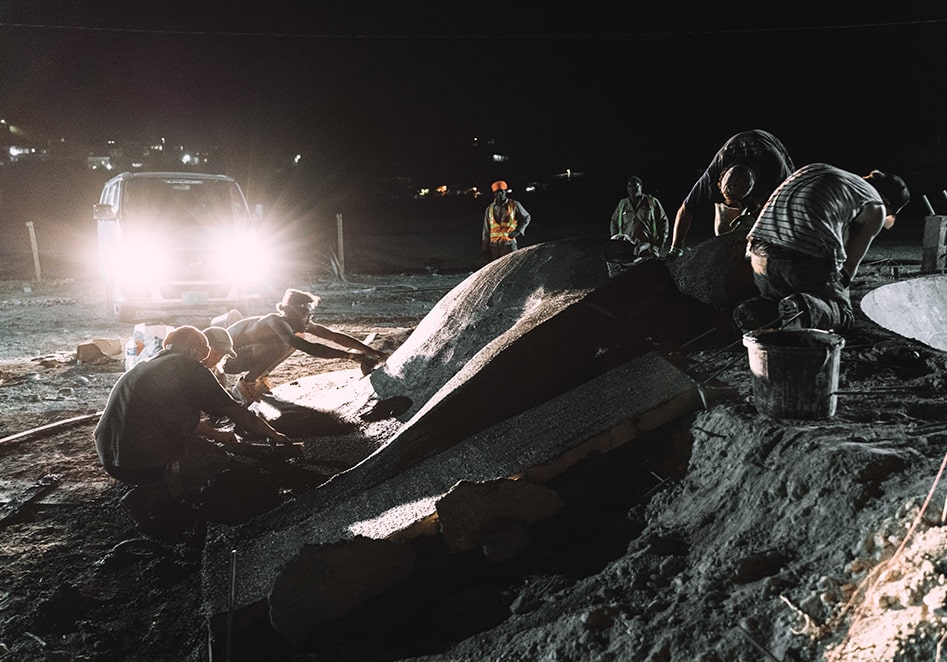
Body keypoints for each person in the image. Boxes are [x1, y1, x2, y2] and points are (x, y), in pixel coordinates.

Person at [94, 325, 291, 537]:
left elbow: (169, 419)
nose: (203, 359)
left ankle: (160, 485)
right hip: (138, 461)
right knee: (215, 458)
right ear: (192, 350)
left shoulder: (147, 366)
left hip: (109, 456)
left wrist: (216, 435)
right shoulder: (189, 367)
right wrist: (273, 434)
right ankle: (155, 499)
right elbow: (236, 411)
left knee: (196, 447)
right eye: (201, 354)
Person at [733, 163, 910, 333]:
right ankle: (801, 309)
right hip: (801, 258)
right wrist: (835, 290)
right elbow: (847, 270)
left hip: (758, 256)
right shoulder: (876, 205)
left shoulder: (818, 169)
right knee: (843, 313)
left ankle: (755, 311)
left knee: (777, 300)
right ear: (887, 202)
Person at [223, 288, 389, 403]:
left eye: (310, 315)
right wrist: (352, 356)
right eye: (304, 314)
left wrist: (372, 352)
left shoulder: (300, 322)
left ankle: (260, 377)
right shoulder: (275, 321)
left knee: (292, 340)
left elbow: (334, 336)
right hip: (227, 359)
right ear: (289, 312)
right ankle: (246, 384)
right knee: (289, 342)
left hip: (244, 354)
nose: (308, 319)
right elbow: (308, 348)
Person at [669, 129, 795, 255]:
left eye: (735, 202)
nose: (731, 204)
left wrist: (753, 217)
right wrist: (676, 247)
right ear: (719, 182)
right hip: (739, 151)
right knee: (724, 229)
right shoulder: (715, 171)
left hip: (771, 148)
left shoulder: (775, 169)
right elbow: (686, 210)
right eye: (728, 200)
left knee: (772, 219)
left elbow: (784, 200)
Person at [609, 175, 670, 257]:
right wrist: (616, 239)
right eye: (630, 186)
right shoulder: (623, 204)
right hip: (627, 245)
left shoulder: (652, 202)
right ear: (627, 188)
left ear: (641, 187)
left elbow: (663, 221)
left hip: (648, 245)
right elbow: (614, 221)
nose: (632, 189)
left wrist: (660, 242)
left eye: (635, 186)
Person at [482, 180, 532, 261]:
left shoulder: (514, 205)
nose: (499, 194)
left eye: (501, 191)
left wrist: (518, 231)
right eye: (497, 192)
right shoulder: (489, 209)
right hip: (494, 247)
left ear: (505, 192)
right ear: (494, 194)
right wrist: (485, 248)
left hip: (509, 245)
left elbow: (526, 217)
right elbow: (486, 230)